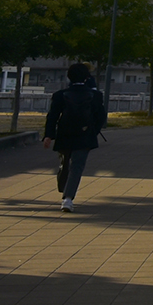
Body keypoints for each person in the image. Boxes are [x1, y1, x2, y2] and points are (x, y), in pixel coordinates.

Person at [42, 62, 107, 212]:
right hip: (84, 136)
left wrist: (49, 135)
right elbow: (101, 117)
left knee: (65, 163)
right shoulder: (96, 95)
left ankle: (65, 189)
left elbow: (52, 116)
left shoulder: (60, 95)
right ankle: (68, 199)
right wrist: (93, 131)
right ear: (86, 78)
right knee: (77, 166)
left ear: (69, 77)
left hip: (64, 134)